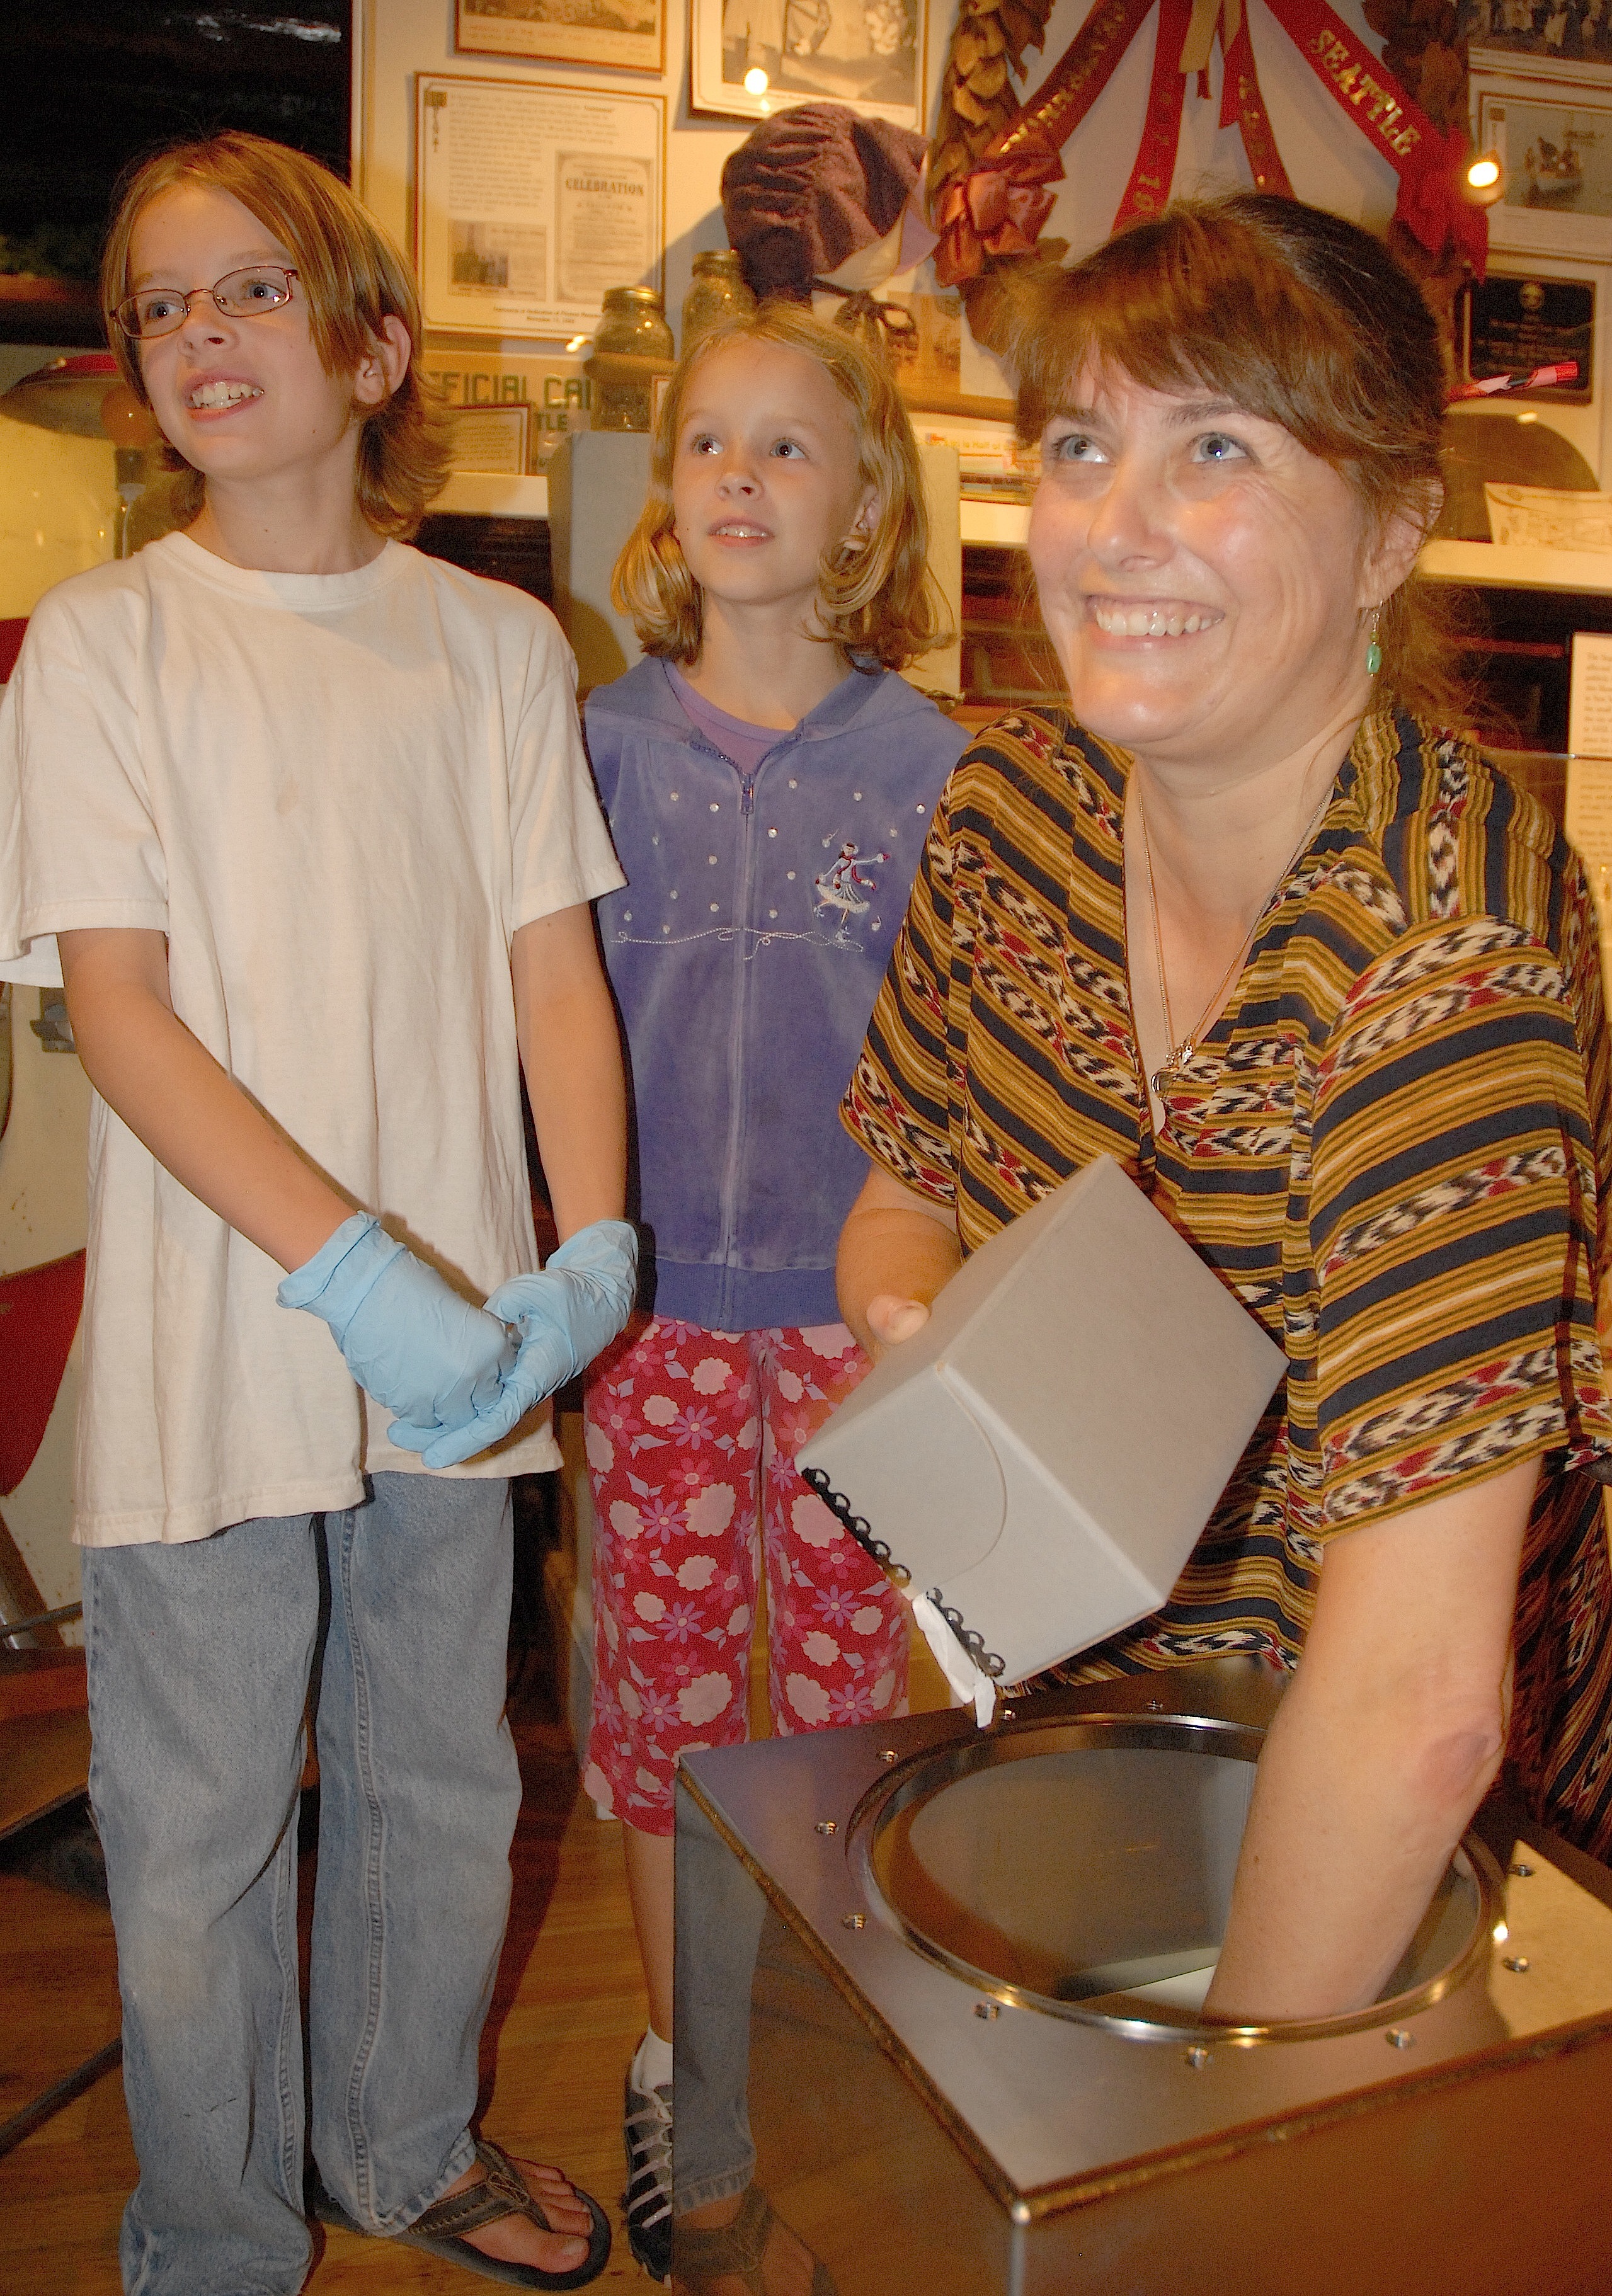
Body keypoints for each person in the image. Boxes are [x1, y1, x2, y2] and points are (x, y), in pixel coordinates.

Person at [837, 193, 1612, 2028]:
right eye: (1081, 446)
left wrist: (1232, 2109)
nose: (1117, 524)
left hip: (1402, 1836)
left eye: (1217, 449)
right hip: (1072, 1725)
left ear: (1390, 530)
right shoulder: (1007, 822)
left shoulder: (1448, 954)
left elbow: (1420, 1708)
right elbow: (900, 1190)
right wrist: (929, 1344)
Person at [0, 132, 637, 2293]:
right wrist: (355, 1269)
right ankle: (209, 2235)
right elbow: (119, 1006)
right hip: (220, 1351)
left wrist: (591, 1250)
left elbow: (555, 970)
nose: (198, 332)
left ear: (372, 348)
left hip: (467, 1346)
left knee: (437, 1780)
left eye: (250, 287)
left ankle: (402, 2144)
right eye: (160, 305)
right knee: (192, 1838)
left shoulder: (497, 645)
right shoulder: (104, 644)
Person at [580, 301, 964, 2281]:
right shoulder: (593, 750)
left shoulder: (938, 772)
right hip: (645, 1315)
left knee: (837, 1713)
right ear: (666, 493)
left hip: (852, 1324)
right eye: (708, 441)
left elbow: (966, 1069)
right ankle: (685, 2065)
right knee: (661, 1702)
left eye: (788, 444)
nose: (739, 473)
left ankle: (807, 2053)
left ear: (866, 498)